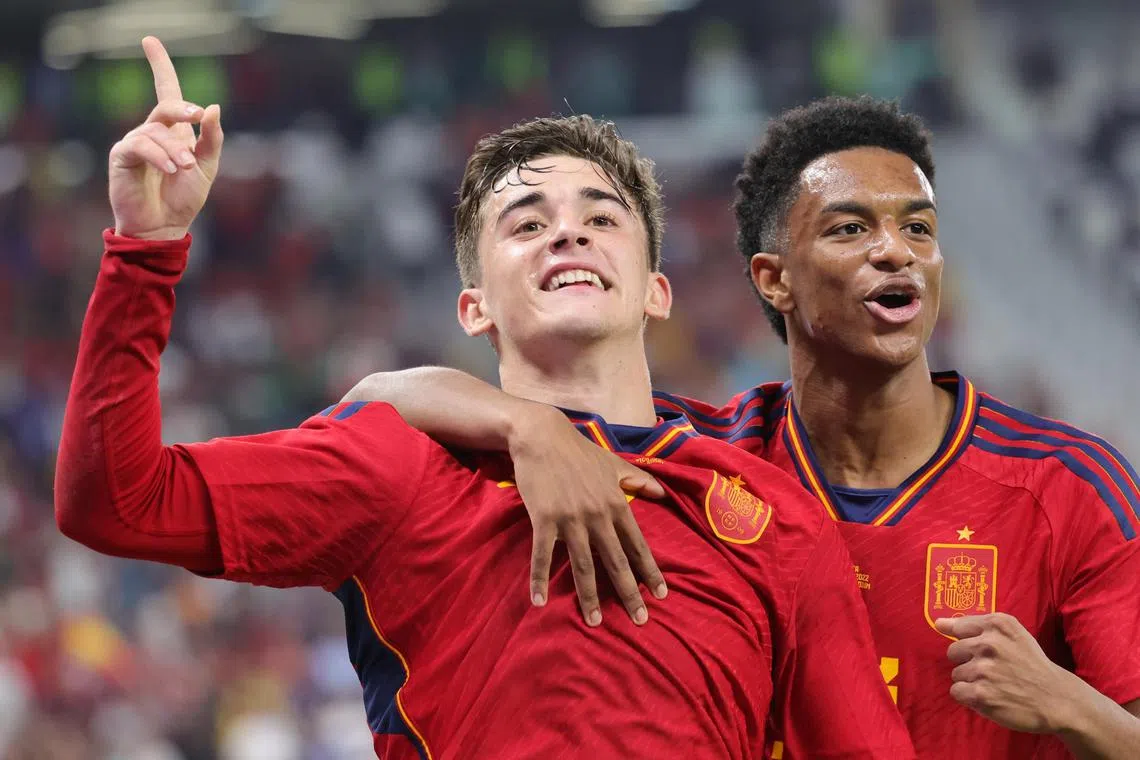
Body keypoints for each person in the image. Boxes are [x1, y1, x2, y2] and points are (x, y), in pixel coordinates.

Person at [54, 38, 913, 759]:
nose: (567, 231)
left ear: (657, 290)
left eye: (601, 218)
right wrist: (146, 248)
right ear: (474, 308)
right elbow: (115, 502)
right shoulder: (397, 466)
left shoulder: (774, 517)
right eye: (527, 223)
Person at [349, 97, 1140, 759]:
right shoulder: (702, 462)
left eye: (919, 229)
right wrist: (527, 427)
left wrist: (1067, 705)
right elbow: (375, 402)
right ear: (774, 280)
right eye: (849, 229)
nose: (895, 252)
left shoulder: (1069, 486)